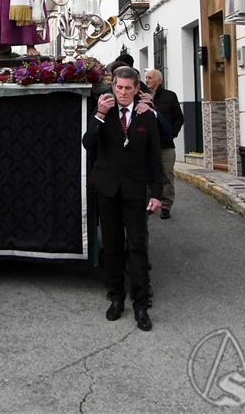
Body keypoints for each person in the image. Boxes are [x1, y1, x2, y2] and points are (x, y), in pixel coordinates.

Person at [83, 66, 163, 332]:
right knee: (114, 246)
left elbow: (154, 157)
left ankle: (141, 302)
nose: (124, 92)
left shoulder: (145, 116)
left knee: (138, 245)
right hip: (107, 189)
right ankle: (116, 296)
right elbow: (88, 143)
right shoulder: (103, 112)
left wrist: (157, 194)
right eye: (119, 88)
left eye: (129, 88)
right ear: (113, 88)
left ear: (137, 89)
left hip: (135, 190)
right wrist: (99, 115)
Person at [143, 69, 184, 220]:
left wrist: (171, 133)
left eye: (150, 78)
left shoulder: (169, 96)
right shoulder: (139, 95)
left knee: (167, 174)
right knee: (148, 174)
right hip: (147, 145)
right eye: (146, 77)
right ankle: (149, 203)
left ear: (159, 80)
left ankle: (166, 205)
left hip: (165, 145)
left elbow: (179, 118)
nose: (147, 80)